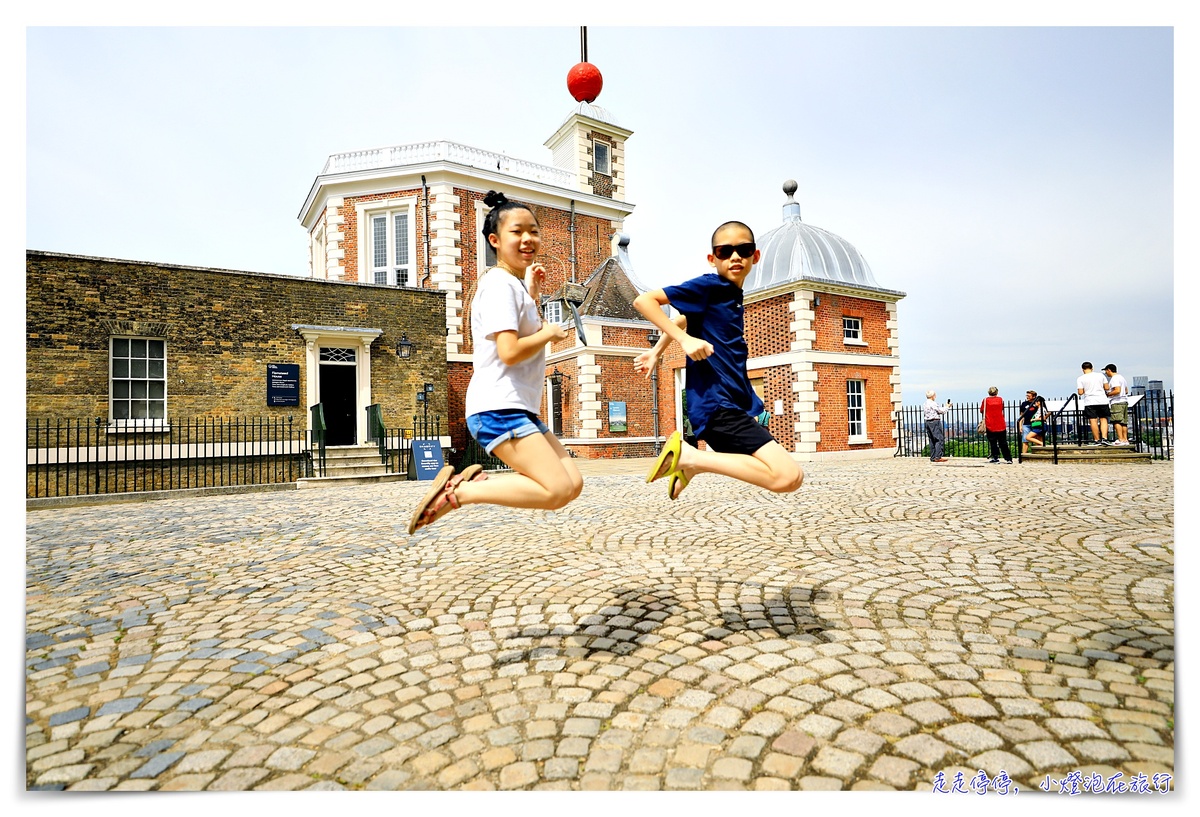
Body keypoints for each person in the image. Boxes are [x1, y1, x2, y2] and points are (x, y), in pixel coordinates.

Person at [407, 191, 582, 534]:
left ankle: (465, 485)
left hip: (517, 406)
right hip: (498, 407)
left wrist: (531, 292)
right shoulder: (499, 284)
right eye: (517, 231)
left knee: (572, 483)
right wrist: (549, 333)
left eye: (533, 230)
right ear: (495, 240)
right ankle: (460, 492)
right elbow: (510, 351)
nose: (528, 238)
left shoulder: (512, 285)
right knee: (557, 488)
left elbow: (518, 327)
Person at [632, 220, 804, 500]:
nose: (735, 257)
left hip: (733, 405)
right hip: (718, 406)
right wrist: (683, 341)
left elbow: (684, 318)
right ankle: (690, 458)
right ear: (713, 259)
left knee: (780, 474)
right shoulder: (710, 286)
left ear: (755, 256)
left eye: (743, 249)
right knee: (788, 475)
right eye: (725, 252)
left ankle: (692, 465)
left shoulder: (730, 297)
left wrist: (656, 351)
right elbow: (645, 300)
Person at [1076, 361, 1110, 445]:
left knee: (1093, 421)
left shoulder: (1080, 378)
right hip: (1102, 400)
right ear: (1092, 368)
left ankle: (1097, 439)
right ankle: (1104, 438)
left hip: (1090, 401)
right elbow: (1107, 387)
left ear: (1082, 369)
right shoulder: (1100, 375)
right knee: (1103, 419)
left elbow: (1080, 392)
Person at [980, 386, 1012, 463]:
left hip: (990, 423)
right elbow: (1002, 408)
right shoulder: (1000, 399)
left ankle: (995, 457)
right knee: (1003, 442)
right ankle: (1008, 458)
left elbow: (981, 410)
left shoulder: (985, 400)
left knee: (993, 442)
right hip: (1000, 423)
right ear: (997, 392)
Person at [1104, 364, 1130, 446]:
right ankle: (1125, 439)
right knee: (1124, 422)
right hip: (1124, 401)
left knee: (1117, 421)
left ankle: (1120, 439)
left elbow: (1117, 390)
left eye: (1106, 371)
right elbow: (1126, 391)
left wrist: (1108, 394)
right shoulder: (1122, 378)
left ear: (1109, 370)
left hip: (1117, 402)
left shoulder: (1114, 379)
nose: (1106, 373)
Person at [923, 390, 951, 463]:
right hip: (935, 421)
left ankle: (933, 456)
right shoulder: (933, 403)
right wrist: (947, 407)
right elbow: (941, 411)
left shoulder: (925, 403)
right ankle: (938, 456)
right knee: (939, 439)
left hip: (927, 422)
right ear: (933, 396)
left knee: (931, 439)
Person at [1019, 390, 1039, 454]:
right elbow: (1021, 416)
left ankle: (1038, 454)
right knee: (1025, 440)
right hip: (1026, 424)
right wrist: (1020, 425)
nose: (1027, 397)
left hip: (1035, 423)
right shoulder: (1024, 404)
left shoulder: (1037, 403)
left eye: (1029, 395)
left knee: (1037, 439)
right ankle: (1024, 455)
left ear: (1033, 396)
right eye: (1027, 395)